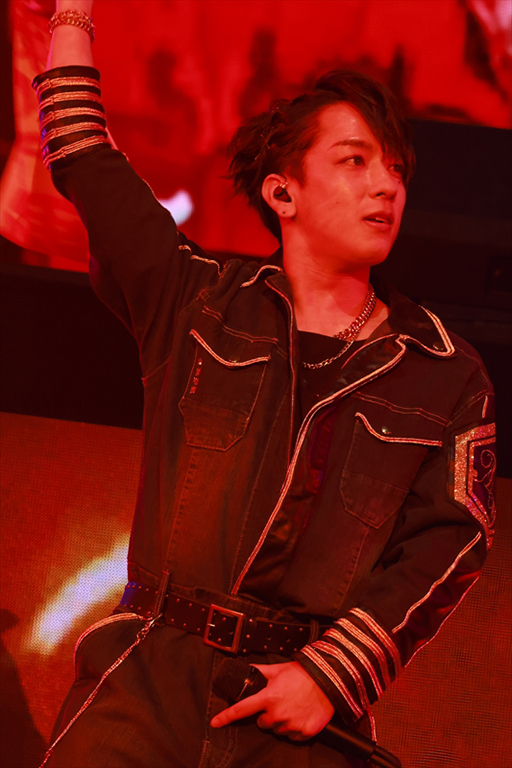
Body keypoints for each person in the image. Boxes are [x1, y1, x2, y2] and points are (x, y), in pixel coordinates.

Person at [33, 1, 496, 766]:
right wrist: (73, 12)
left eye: (395, 168)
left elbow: (450, 542)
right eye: (355, 161)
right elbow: (83, 152)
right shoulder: (199, 302)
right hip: (147, 682)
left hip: (296, 701)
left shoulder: (443, 370)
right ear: (283, 194)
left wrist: (328, 677)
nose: (386, 186)